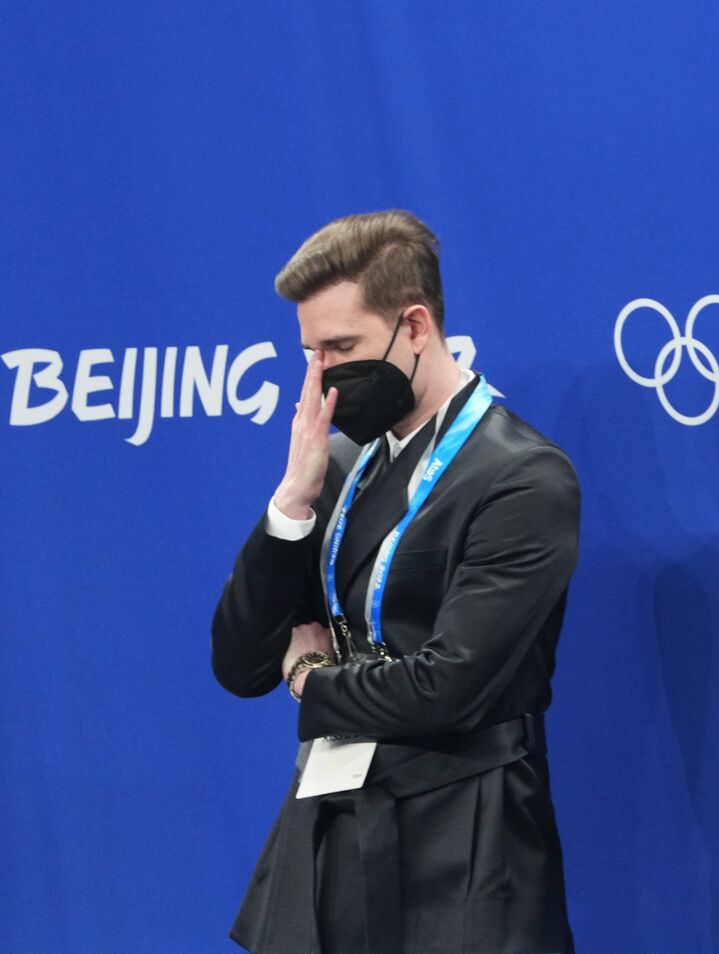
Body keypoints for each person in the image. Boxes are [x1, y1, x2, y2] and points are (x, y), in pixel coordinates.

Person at [211, 210, 579, 953]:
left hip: (463, 841)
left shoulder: (522, 477)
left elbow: (448, 686)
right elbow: (242, 664)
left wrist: (313, 680)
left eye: (342, 347)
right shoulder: (340, 469)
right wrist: (290, 504)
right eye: (310, 353)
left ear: (414, 326)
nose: (324, 378)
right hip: (328, 826)